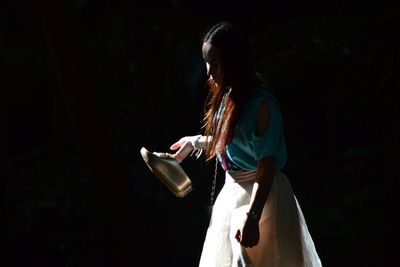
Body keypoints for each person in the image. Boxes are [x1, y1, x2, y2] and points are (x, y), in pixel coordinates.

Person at [169, 21, 322, 267]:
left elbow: (266, 165)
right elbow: (234, 142)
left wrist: (253, 217)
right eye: (207, 62)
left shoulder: (261, 105)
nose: (209, 72)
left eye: (216, 63)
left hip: (262, 197)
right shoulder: (229, 97)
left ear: (235, 61)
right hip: (233, 193)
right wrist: (194, 142)